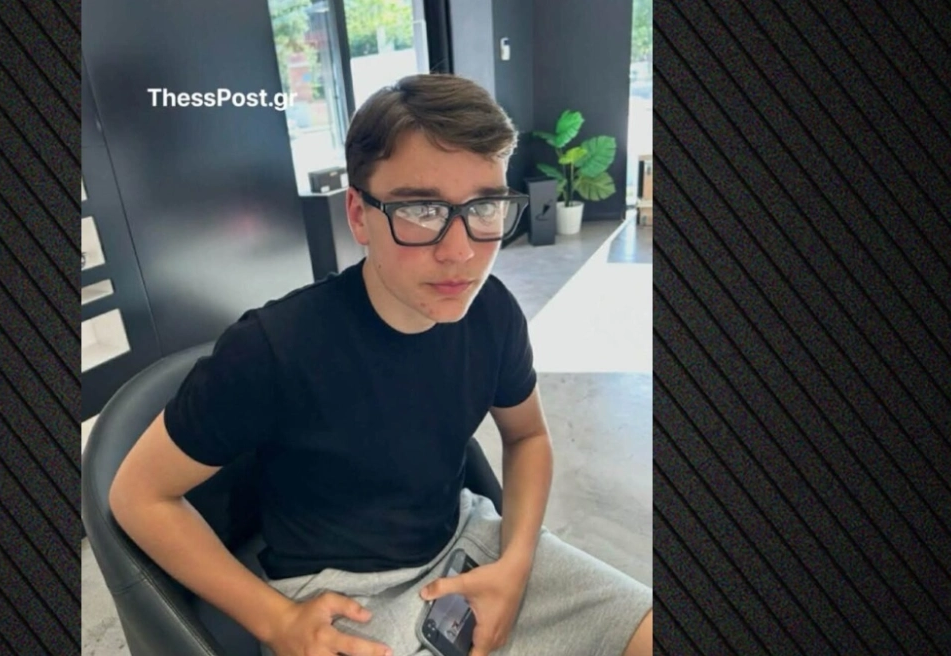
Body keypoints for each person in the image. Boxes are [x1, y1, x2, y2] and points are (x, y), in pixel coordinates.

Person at [109, 73, 653, 656]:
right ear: (359, 214)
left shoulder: (493, 313)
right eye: (421, 209)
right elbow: (138, 495)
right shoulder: (274, 348)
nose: (461, 251)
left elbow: (528, 437)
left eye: (485, 206)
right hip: (337, 596)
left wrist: (515, 566)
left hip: (469, 541)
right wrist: (276, 621)